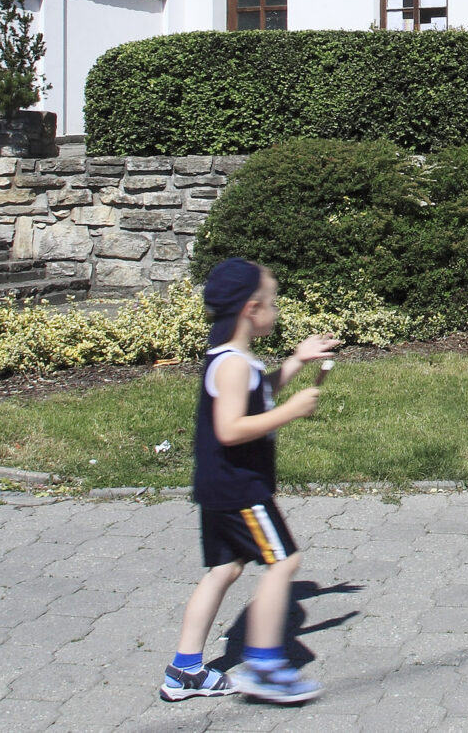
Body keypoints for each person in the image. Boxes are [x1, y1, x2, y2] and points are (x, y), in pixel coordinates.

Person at [160, 258, 341, 704]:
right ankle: (265, 667)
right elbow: (231, 428)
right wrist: (291, 412)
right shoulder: (234, 365)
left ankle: (184, 671)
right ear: (250, 309)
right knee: (283, 563)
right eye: (273, 302)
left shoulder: (233, 358)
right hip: (242, 487)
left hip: (218, 486)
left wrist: (296, 362)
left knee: (225, 568)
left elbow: (257, 397)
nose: (276, 310)